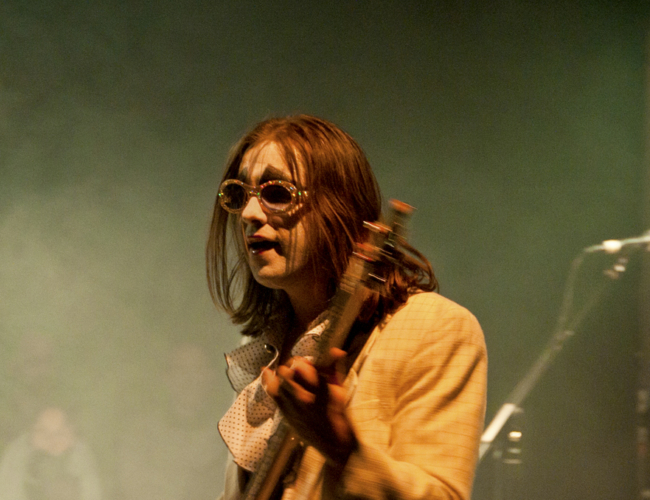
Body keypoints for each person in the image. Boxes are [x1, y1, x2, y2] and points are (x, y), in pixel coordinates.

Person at [207, 115, 487, 499]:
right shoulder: (264, 347)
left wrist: (342, 447)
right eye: (239, 195)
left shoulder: (437, 327)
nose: (249, 214)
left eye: (277, 192)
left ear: (339, 207)